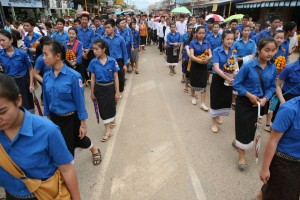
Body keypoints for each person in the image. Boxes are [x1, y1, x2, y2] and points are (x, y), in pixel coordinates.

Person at [0, 73, 81, 200]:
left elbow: (66, 169)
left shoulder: (47, 131)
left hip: (45, 195)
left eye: (2, 112)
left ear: (18, 101)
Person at [42, 41, 101, 166]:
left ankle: (68, 176)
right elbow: (47, 101)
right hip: (55, 119)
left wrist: (83, 124)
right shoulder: (47, 76)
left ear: (57, 56)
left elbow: (80, 102)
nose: (43, 58)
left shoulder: (74, 76)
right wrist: (48, 120)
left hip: (71, 119)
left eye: (46, 54)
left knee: (71, 146)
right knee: (64, 144)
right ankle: (93, 149)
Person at [233, 37, 277, 171]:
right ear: (258, 49)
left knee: (252, 128)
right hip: (245, 102)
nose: (270, 53)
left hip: (260, 103)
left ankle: (239, 143)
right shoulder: (248, 66)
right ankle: (241, 156)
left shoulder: (273, 68)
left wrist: (266, 98)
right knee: (243, 128)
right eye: (267, 50)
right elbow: (236, 84)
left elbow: (272, 87)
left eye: (273, 50)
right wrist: (249, 95)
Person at [257, 96, 300, 200]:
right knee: (279, 195)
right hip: (284, 163)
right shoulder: (289, 109)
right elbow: (273, 141)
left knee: (271, 192)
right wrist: (265, 168)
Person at [88, 39, 120, 142]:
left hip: (110, 88)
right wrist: (92, 92)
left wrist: (117, 91)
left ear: (103, 49)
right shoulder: (93, 62)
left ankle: (112, 120)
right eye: (93, 49)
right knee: (103, 109)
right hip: (99, 89)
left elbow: (116, 77)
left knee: (111, 106)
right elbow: (92, 78)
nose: (94, 51)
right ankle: (108, 131)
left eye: (96, 49)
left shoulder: (112, 61)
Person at [0, 30, 35, 113]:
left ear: (11, 40)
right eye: (0, 41)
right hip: (9, 83)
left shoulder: (22, 54)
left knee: (25, 106)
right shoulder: (0, 54)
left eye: (3, 40)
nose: (1, 43)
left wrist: (31, 84)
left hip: (23, 82)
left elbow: (30, 69)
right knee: (12, 105)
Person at [210, 30, 238, 133]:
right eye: (228, 39)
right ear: (223, 39)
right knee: (216, 99)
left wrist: (235, 74)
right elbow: (217, 68)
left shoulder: (233, 51)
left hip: (229, 78)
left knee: (225, 99)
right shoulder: (216, 51)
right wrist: (227, 78)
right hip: (219, 79)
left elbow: (235, 65)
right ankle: (213, 122)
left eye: (232, 39)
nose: (230, 41)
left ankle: (218, 116)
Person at [103, 19, 128, 99]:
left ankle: (120, 90)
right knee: (110, 79)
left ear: (113, 27)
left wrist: (125, 64)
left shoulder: (120, 39)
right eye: (105, 28)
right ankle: (113, 93)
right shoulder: (103, 40)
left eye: (108, 27)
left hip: (118, 61)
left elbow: (124, 52)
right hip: (108, 62)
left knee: (121, 79)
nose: (107, 29)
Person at [271, 55, 300, 122]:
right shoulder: (289, 68)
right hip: (287, 99)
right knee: (279, 123)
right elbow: (277, 85)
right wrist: (282, 101)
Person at [189, 26, 212, 110]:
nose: (201, 35)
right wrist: (199, 60)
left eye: (203, 33)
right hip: (195, 65)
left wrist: (207, 59)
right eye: (199, 33)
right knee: (193, 81)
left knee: (203, 83)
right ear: (196, 33)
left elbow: (210, 54)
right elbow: (191, 55)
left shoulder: (207, 43)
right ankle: (193, 97)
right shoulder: (192, 43)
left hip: (204, 65)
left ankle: (202, 103)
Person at [77, 14, 95, 83]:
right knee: (82, 67)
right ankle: (86, 79)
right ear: (80, 20)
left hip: (90, 51)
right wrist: (82, 52)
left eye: (86, 20)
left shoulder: (91, 30)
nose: (84, 21)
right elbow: (77, 41)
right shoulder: (77, 30)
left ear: (88, 21)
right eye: (83, 19)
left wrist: (88, 50)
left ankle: (91, 80)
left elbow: (92, 41)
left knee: (91, 67)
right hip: (80, 52)